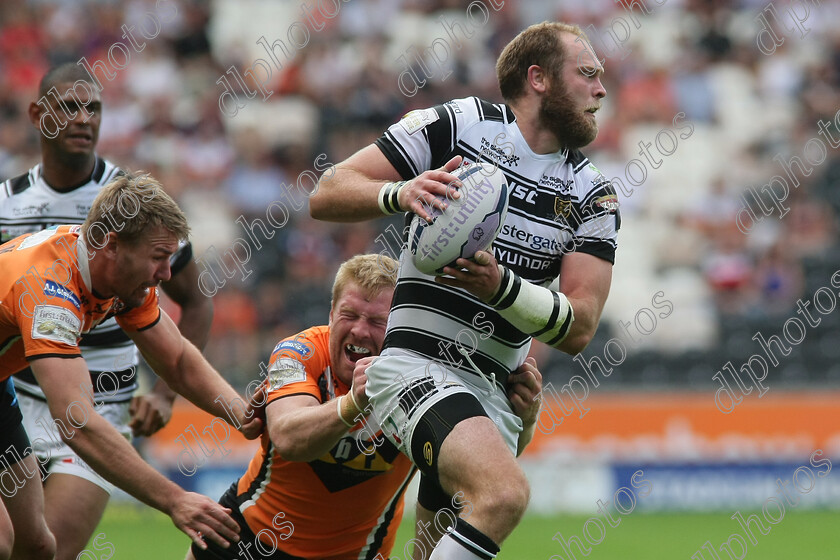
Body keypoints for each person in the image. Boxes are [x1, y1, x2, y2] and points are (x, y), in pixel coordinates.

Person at [310, 21, 618, 559]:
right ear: (539, 78)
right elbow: (327, 191)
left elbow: (581, 325)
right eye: (587, 73)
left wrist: (502, 288)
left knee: (431, 550)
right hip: (416, 369)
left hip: (495, 393)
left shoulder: (595, 194)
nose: (601, 89)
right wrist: (400, 192)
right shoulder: (460, 125)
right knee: (502, 495)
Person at [185, 253, 544, 560]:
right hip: (246, 536)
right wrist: (355, 402)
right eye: (349, 315)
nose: (359, 331)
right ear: (330, 313)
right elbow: (288, 437)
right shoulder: (298, 352)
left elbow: (479, 469)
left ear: (400, 326)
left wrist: (523, 420)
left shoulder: (423, 378)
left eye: (376, 322)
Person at [0, 62, 214, 560]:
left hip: (102, 401)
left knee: (47, 552)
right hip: (21, 389)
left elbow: (196, 301)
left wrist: (163, 396)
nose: (83, 119)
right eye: (69, 106)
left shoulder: (132, 202)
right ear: (38, 115)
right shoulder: (6, 203)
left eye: (92, 107)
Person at [0, 173, 263, 560]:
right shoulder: (49, 290)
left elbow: (177, 360)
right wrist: (174, 499)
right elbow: (76, 421)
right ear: (112, 246)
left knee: (38, 547)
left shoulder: (116, 276)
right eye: (158, 258)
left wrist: (246, 417)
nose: (166, 274)